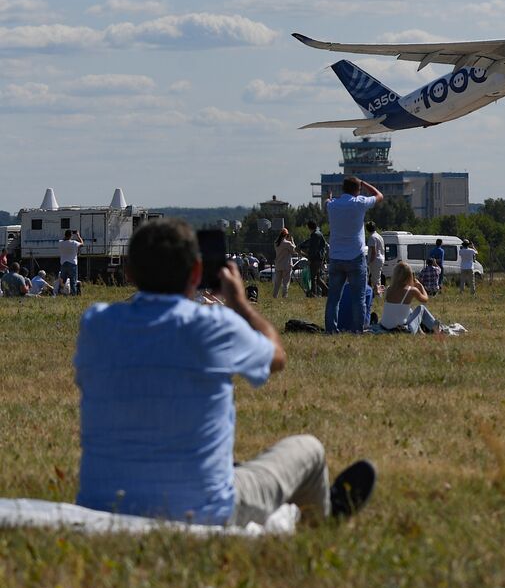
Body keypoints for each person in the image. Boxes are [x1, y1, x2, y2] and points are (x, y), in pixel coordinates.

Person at [73, 218, 375, 526]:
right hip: (203, 508)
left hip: (102, 503)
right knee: (308, 450)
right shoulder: (214, 325)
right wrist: (240, 303)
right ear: (196, 272)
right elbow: (277, 356)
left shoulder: (95, 324)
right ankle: (321, 523)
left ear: (128, 272)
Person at [324, 177, 384, 334]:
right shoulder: (359, 203)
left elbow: (326, 202)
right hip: (355, 256)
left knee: (333, 299)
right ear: (357, 190)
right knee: (359, 298)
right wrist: (365, 183)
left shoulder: (332, 206)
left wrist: (329, 197)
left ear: (343, 189)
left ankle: (331, 329)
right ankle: (357, 330)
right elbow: (379, 196)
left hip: (336, 256)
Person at [379, 261, 440, 333]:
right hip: (402, 329)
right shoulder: (411, 290)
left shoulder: (389, 288)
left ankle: (421, 331)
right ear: (409, 275)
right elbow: (425, 299)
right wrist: (420, 286)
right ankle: (437, 330)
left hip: (384, 327)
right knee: (421, 308)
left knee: (409, 310)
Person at [301, 220, 328, 299]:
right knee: (318, 278)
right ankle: (327, 291)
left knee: (313, 277)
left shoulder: (315, 235)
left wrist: (310, 258)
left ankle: (313, 294)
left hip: (315, 259)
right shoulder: (318, 233)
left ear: (309, 227)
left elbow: (313, 249)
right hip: (319, 258)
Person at [270, 228, 297, 299]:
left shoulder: (276, 242)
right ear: (286, 235)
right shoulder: (287, 243)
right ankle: (284, 296)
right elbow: (294, 250)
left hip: (278, 264)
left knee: (277, 283)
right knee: (285, 282)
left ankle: (275, 296)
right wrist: (292, 241)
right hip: (286, 265)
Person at [58, 229, 84, 297]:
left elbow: (63, 239)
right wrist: (78, 236)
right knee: (73, 280)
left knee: (62, 280)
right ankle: (73, 294)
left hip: (63, 263)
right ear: (71, 236)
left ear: (65, 235)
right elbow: (82, 244)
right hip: (72, 263)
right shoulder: (74, 243)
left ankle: (60, 292)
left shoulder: (61, 242)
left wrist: (67, 236)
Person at [366, 221, 385, 298]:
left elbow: (373, 252)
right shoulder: (379, 236)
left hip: (375, 260)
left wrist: (369, 262)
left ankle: (378, 296)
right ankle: (378, 295)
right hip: (380, 259)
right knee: (377, 278)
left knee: (375, 280)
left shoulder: (372, 237)